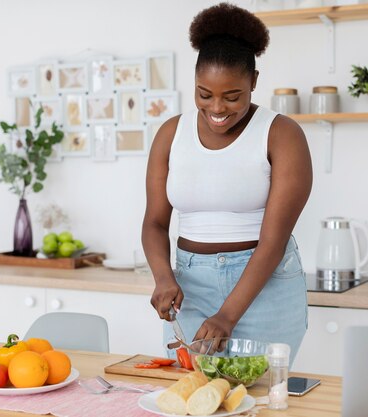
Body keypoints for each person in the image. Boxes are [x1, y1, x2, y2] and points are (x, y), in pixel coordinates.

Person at [142, 2, 312, 366]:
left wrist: (227, 316)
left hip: (265, 286)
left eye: (232, 96)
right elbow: (155, 222)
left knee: (263, 397)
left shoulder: (282, 135)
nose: (217, 108)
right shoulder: (171, 133)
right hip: (190, 286)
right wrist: (163, 278)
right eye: (205, 94)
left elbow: (273, 241)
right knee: (195, 398)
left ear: (253, 81)